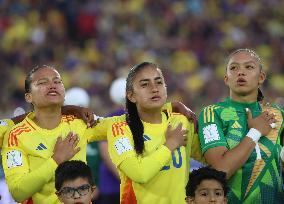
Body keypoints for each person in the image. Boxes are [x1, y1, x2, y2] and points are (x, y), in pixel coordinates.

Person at [92, 62, 204, 204]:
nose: (154, 89)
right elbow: (140, 174)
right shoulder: (120, 129)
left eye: (159, 82)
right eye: (145, 85)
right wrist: (170, 144)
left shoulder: (181, 120)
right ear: (131, 96)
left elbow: (206, 157)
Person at [1, 65, 105, 204]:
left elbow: (123, 125)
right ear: (28, 96)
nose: (52, 86)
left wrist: (67, 108)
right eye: (43, 83)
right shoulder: (15, 135)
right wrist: (56, 160)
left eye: (57, 81)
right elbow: (18, 193)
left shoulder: (81, 123)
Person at [198, 48, 284, 203]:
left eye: (249, 67)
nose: (241, 72)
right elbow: (220, 171)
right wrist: (256, 131)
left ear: (261, 77)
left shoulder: (278, 116)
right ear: (226, 79)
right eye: (234, 68)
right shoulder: (211, 113)